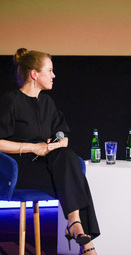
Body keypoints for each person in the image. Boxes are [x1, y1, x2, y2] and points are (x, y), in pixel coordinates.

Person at [0, 48, 100, 254]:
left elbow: (62, 134)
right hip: (18, 168)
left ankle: (76, 225)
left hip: (47, 163)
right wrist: (32, 147)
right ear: (34, 74)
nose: (54, 75)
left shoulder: (47, 102)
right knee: (75, 176)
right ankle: (83, 238)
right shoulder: (11, 101)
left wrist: (58, 142)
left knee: (67, 157)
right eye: (50, 70)